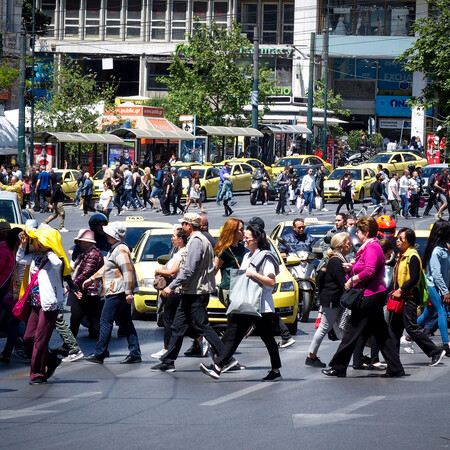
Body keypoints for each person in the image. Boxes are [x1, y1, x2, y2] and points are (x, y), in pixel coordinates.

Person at [322, 216, 404, 378]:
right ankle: (395, 368)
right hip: (373, 295)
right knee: (381, 334)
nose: (356, 233)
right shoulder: (368, 247)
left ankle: (338, 367)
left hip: (369, 295)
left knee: (351, 332)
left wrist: (352, 279)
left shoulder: (372, 247)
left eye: (358, 231)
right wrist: (352, 267)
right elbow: (365, 266)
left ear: (366, 232)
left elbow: (369, 271)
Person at [199, 224, 282, 381]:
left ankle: (276, 371)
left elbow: (271, 282)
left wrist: (253, 274)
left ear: (256, 240)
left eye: (247, 237)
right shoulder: (247, 256)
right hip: (245, 303)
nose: (244, 239)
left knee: (268, 339)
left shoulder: (265, 257)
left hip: (261, 305)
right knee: (233, 335)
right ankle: (218, 367)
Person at [151, 213, 224, 373]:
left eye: (183, 224)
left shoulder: (197, 241)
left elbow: (189, 269)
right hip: (190, 291)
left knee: (202, 326)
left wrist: (172, 286)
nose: (181, 227)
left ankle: (226, 357)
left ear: (189, 226)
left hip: (195, 292)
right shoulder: (197, 240)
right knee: (178, 326)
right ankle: (168, 361)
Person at [18, 227, 72, 384]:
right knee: (28, 337)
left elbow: (57, 264)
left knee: (40, 339)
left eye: (40, 241)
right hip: (35, 302)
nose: (37, 244)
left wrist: (49, 248)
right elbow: (20, 259)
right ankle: (51, 359)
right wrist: (23, 245)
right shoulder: (35, 256)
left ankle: (37, 373)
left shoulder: (55, 258)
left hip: (49, 304)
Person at [84, 222, 142, 364]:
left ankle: (100, 353)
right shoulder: (115, 248)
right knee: (126, 322)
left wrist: (129, 292)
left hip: (117, 291)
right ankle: (135, 352)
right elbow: (107, 268)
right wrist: (92, 278)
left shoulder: (120, 249)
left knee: (105, 321)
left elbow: (127, 271)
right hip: (118, 290)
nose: (105, 234)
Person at [389, 228, 447, 366]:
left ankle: (435, 351)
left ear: (409, 241)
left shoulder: (412, 256)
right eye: (397, 237)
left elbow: (415, 278)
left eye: (401, 238)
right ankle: (393, 359)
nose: (397, 240)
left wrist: (401, 290)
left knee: (411, 327)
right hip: (399, 296)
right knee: (394, 328)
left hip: (409, 296)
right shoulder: (401, 255)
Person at [305, 233, 351, 368]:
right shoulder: (336, 261)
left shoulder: (339, 259)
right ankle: (311, 355)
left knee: (341, 328)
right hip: (332, 299)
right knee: (325, 327)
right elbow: (343, 282)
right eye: (348, 243)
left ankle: (349, 354)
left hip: (332, 299)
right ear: (341, 246)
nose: (350, 245)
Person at [151, 227, 191, 359]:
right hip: (175, 288)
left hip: (174, 289)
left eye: (173, 236)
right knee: (182, 320)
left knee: (168, 318)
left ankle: (167, 348)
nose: (171, 239)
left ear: (180, 239)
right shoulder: (178, 252)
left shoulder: (182, 253)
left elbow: (173, 272)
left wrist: (159, 271)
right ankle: (200, 339)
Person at [417, 220, 450, 355]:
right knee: (441, 312)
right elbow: (436, 274)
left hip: (440, 287)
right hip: (434, 286)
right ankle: (446, 344)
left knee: (428, 313)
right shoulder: (436, 251)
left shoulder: (444, 248)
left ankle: (408, 333)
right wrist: (445, 291)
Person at [68, 229, 104, 344]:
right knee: (77, 318)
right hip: (84, 291)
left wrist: (69, 287)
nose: (79, 244)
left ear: (87, 242)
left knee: (90, 320)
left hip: (89, 292)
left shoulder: (93, 254)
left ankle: (102, 347)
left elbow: (85, 274)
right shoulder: (87, 253)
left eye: (81, 241)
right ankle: (68, 345)